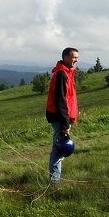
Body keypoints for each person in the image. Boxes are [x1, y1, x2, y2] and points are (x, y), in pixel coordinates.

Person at [45, 47, 79, 183]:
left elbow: (69, 98)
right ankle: (54, 184)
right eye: (73, 57)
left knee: (58, 151)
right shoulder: (61, 74)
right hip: (60, 119)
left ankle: (55, 181)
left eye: (77, 57)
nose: (76, 60)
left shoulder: (67, 73)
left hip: (64, 118)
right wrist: (66, 124)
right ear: (65, 57)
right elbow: (61, 101)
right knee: (59, 151)